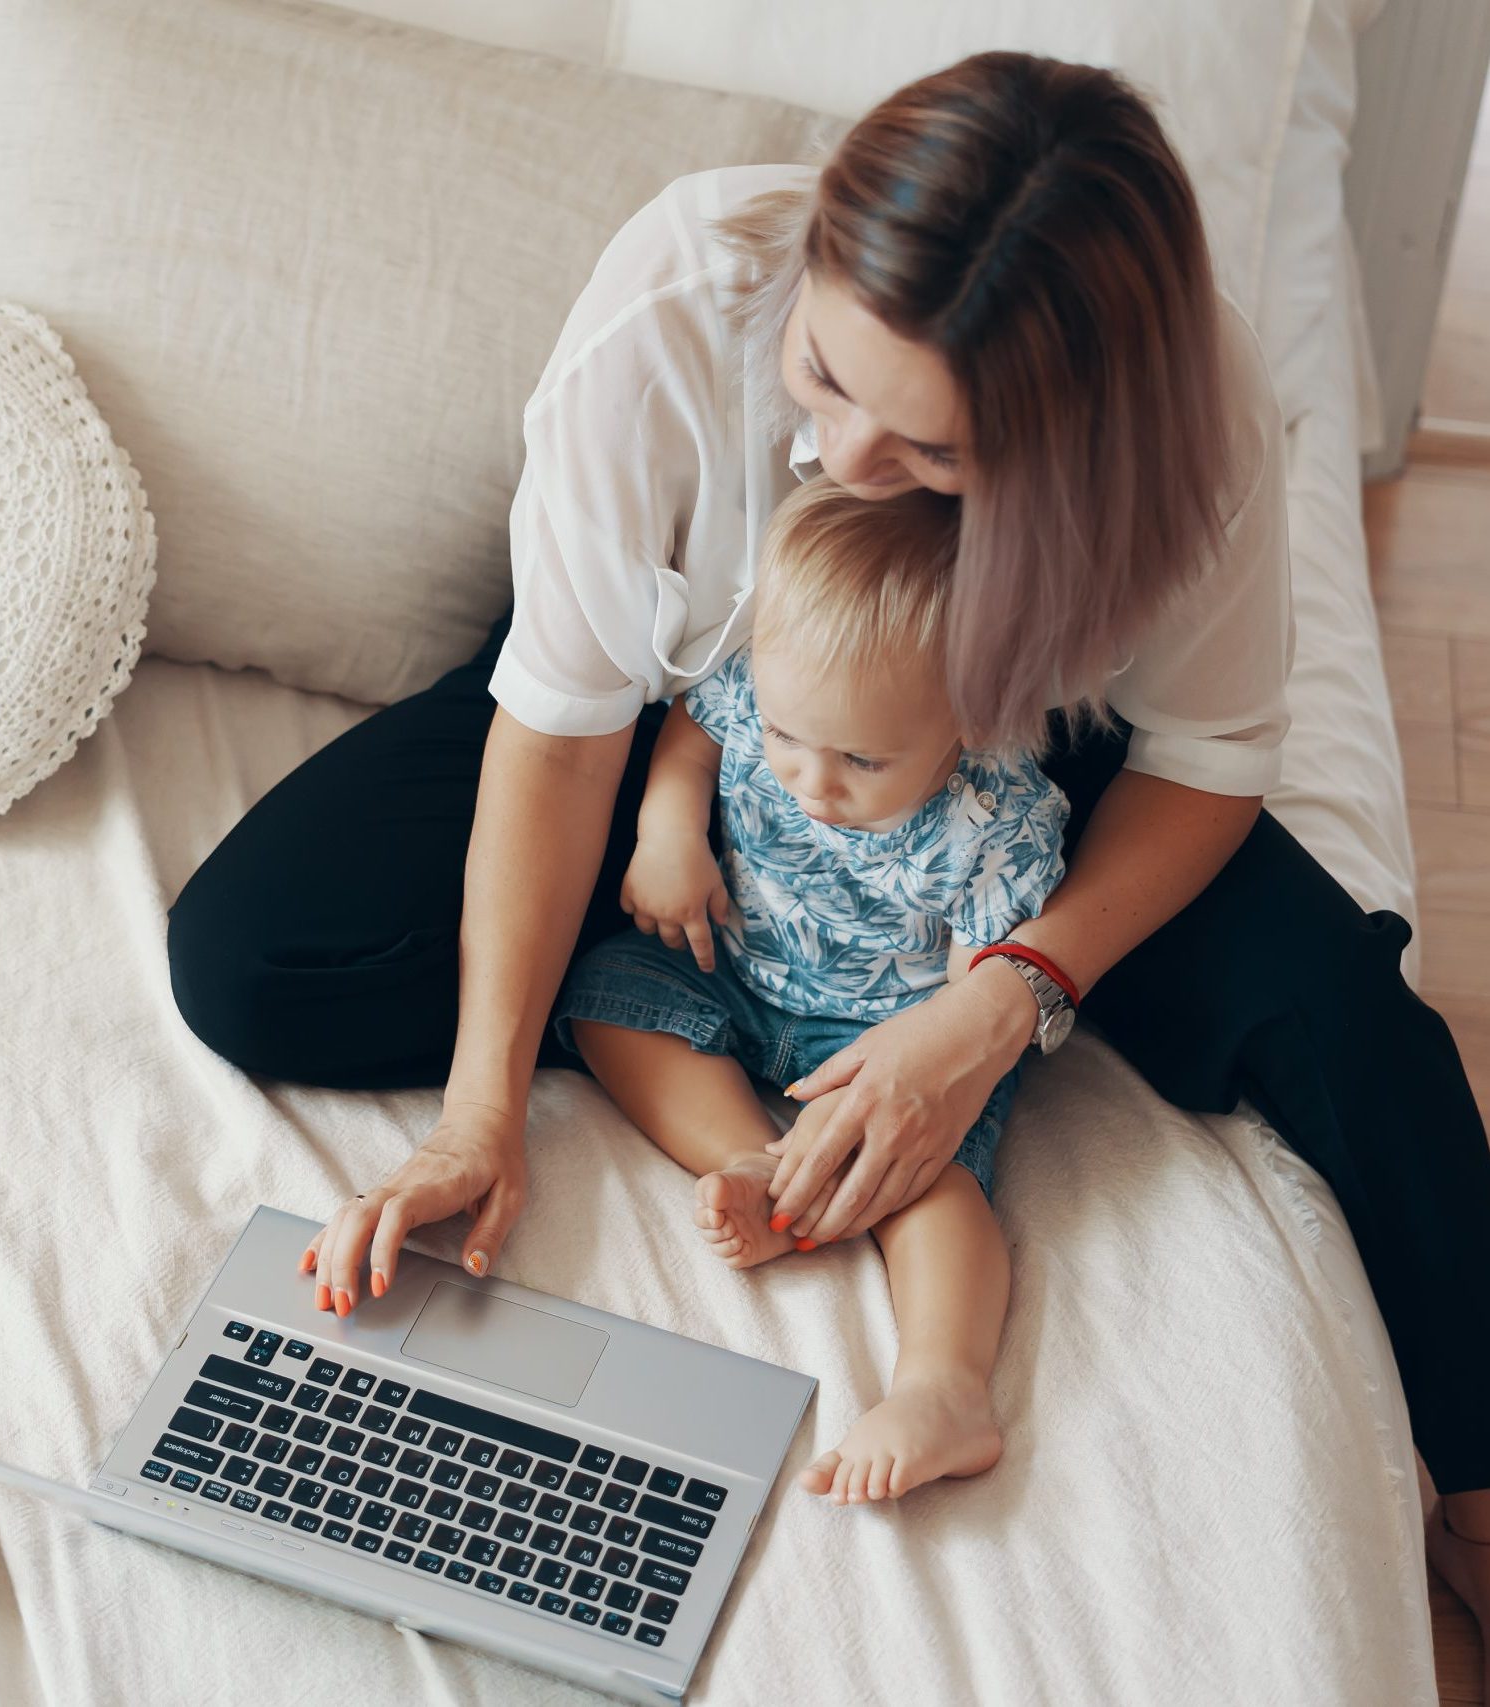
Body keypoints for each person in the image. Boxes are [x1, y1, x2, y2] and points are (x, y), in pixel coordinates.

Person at [166, 50, 1490, 1638]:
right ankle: (720, 1015)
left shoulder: (1184, 425)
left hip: (1005, 770)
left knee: (1347, 1024)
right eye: (823, 377)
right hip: (692, 725)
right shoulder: (678, 302)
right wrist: (478, 1107)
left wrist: (997, 1000)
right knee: (249, 960)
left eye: (934, 456)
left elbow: (1206, 762)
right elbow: (563, 720)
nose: (844, 465)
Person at [558, 474, 1066, 1503]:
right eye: (788, 737)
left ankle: (943, 1388)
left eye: (862, 759)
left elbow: (976, 1004)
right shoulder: (762, 693)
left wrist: (925, 1074)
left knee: (935, 1191)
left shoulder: (997, 816)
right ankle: (763, 1161)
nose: (808, 779)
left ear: (975, 718)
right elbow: (693, 741)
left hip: (891, 1043)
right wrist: (667, 832)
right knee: (610, 993)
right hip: (736, 976)